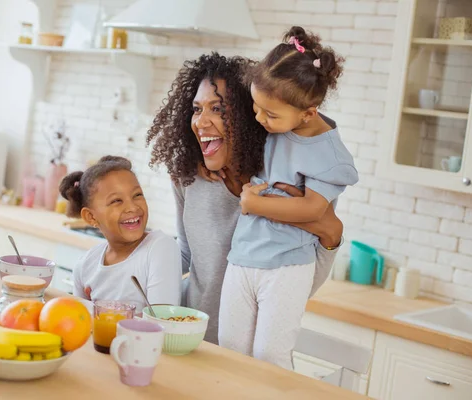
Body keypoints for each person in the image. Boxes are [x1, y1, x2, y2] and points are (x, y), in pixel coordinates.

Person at [147, 52, 343, 345]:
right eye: (197, 109)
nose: (201, 122)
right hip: (189, 340)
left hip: (250, 352)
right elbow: (186, 254)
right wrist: (133, 273)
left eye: (218, 109)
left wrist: (332, 235)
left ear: (250, 115)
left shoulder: (293, 182)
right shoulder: (190, 177)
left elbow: (300, 276)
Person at [219, 26, 358, 369]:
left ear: (309, 112)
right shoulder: (279, 124)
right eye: (256, 107)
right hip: (243, 256)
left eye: (270, 114)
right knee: (230, 349)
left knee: (271, 357)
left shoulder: (329, 154)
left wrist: (253, 204)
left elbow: (313, 207)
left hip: (287, 264)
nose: (259, 118)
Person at [60, 156, 182, 311]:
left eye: (137, 195)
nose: (132, 207)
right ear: (91, 217)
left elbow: (162, 323)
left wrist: (98, 313)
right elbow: (79, 324)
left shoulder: (160, 248)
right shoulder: (85, 266)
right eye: (116, 201)